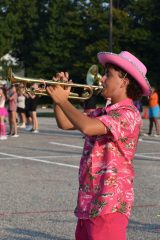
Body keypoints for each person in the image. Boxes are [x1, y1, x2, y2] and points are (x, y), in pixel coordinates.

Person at [46, 51, 151, 240]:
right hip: (89, 201)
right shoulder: (104, 112)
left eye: (108, 74)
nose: (102, 79)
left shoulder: (129, 114)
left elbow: (87, 127)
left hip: (110, 204)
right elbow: (65, 123)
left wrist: (63, 100)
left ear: (124, 82)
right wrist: (58, 99)